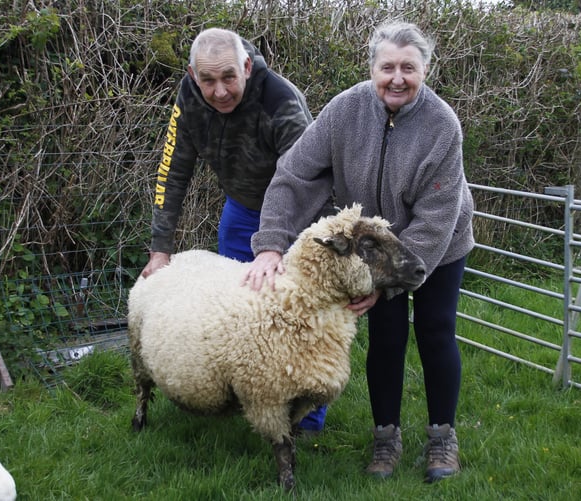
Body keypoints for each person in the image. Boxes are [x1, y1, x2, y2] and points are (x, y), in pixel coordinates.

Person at [245, 21, 474, 483]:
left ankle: (441, 438)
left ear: (425, 69)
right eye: (387, 66)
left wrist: (393, 279)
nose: (397, 77)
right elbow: (295, 175)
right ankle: (386, 438)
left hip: (438, 245)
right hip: (372, 257)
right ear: (371, 67)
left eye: (409, 68)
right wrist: (270, 243)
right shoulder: (343, 111)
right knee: (386, 338)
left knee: (435, 331)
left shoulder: (442, 125)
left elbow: (435, 215)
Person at [140, 27, 328, 433]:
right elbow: (173, 170)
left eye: (228, 77)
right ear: (193, 75)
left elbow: (308, 179)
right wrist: (160, 249)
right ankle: (251, 399)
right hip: (241, 211)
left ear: (246, 66)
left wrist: (280, 244)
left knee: (298, 315)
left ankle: (307, 415)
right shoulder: (188, 98)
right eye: (207, 80)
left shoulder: (281, 101)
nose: (220, 91)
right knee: (237, 311)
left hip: (296, 214)